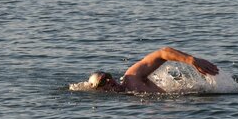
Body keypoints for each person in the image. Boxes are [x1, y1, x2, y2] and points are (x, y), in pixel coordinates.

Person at [88, 47, 219, 93]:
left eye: (108, 76)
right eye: (103, 81)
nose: (109, 80)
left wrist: (192, 60)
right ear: (97, 90)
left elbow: (162, 53)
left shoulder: (131, 78)